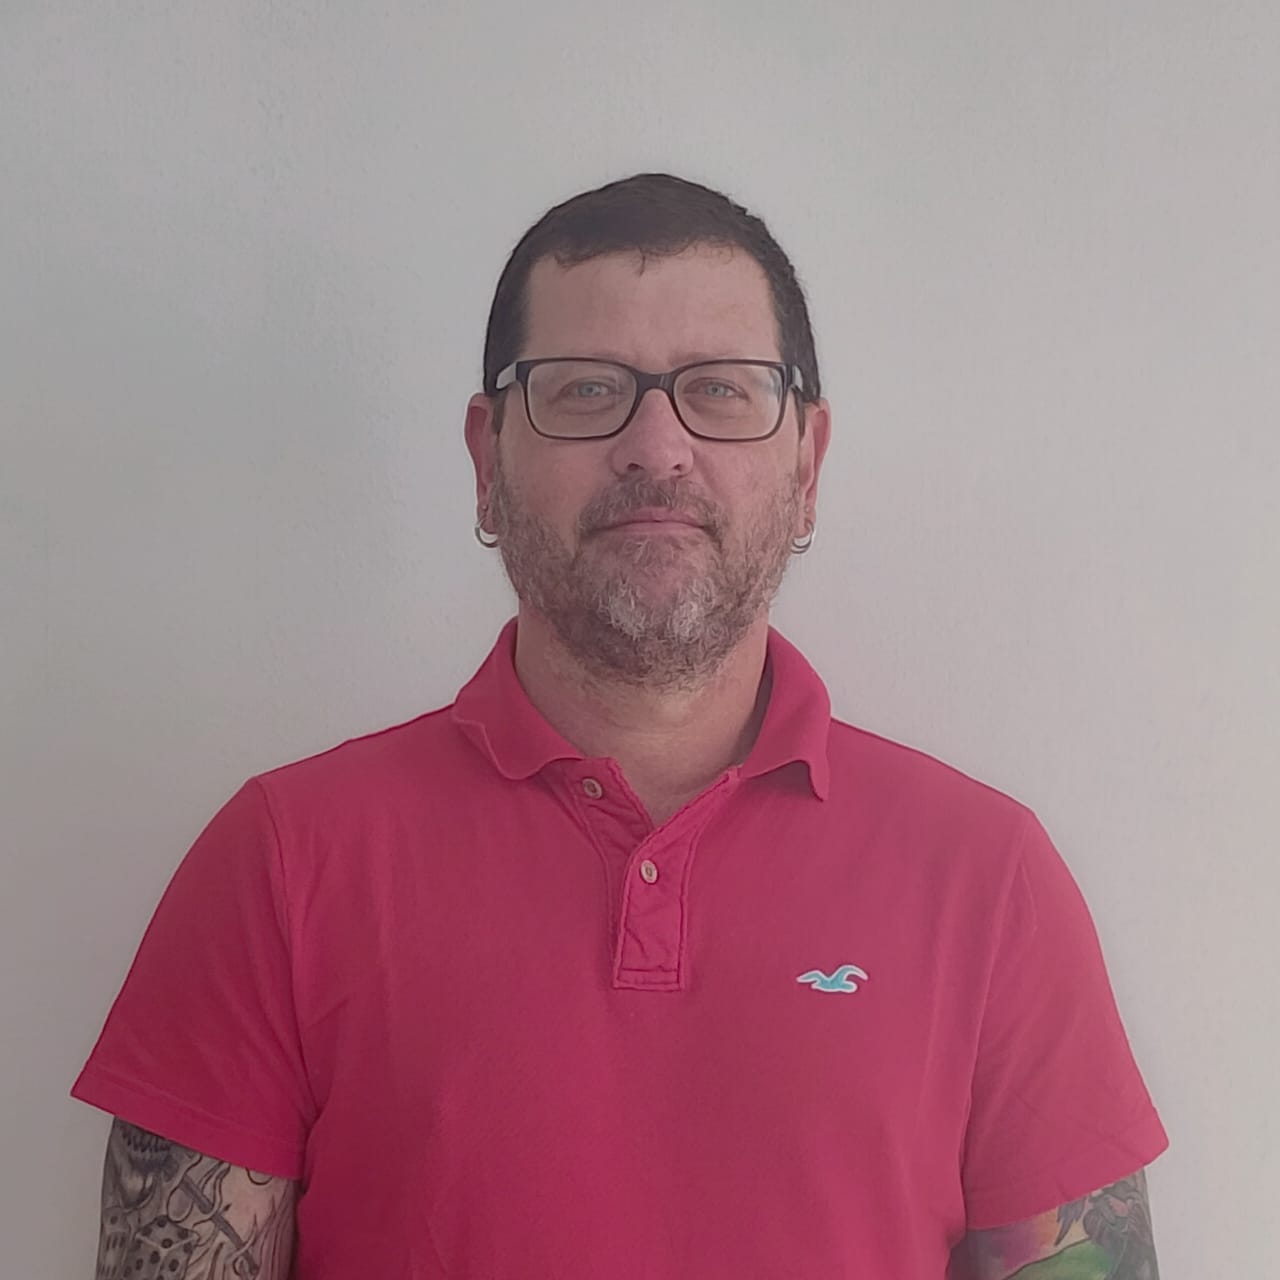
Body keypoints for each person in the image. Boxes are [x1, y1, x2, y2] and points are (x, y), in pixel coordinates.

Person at [73, 173, 1168, 1279]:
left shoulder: (988, 879)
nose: (656, 445)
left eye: (722, 391)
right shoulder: (282, 861)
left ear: (807, 464)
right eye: (586, 389)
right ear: (486, 459)